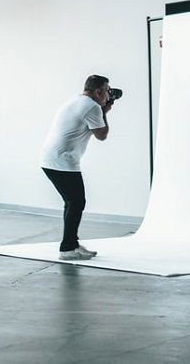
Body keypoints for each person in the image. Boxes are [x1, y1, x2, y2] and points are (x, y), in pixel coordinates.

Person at [41, 75, 112, 261]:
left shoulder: (76, 100)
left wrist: (103, 109)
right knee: (77, 202)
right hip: (62, 161)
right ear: (98, 91)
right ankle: (67, 248)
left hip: (52, 158)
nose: (107, 94)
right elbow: (102, 135)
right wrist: (105, 111)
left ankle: (71, 244)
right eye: (106, 91)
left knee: (73, 202)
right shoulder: (93, 107)